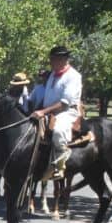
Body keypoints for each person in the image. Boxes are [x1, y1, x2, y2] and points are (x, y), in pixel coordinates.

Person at [31, 45, 82, 180]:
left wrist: (43, 111)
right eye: (51, 59)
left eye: (52, 59)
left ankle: (60, 163)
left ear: (63, 59)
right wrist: (37, 110)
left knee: (59, 131)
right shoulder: (53, 75)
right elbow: (47, 97)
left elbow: (65, 103)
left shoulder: (73, 76)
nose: (50, 62)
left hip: (67, 111)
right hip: (50, 111)